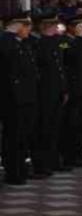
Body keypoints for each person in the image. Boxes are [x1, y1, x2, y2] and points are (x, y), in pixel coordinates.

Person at [0, 12, 38, 185]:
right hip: (11, 98)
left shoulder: (21, 42)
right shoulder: (6, 41)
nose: (29, 30)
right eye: (26, 25)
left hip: (24, 97)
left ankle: (20, 168)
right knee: (13, 137)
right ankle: (13, 171)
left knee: (22, 136)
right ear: (17, 25)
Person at [29, 13, 68, 176]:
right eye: (52, 25)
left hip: (57, 90)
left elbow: (67, 49)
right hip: (45, 91)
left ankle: (52, 160)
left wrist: (64, 89)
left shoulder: (58, 42)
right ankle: (41, 163)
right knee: (43, 128)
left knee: (55, 128)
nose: (55, 27)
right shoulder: (38, 43)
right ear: (45, 26)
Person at [60, 14, 82, 167]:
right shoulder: (64, 42)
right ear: (71, 27)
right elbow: (71, 56)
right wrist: (80, 38)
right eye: (78, 26)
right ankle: (70, 155)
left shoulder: (80, 42)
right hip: (73, 89)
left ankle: (79, 152)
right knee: (72, 124)